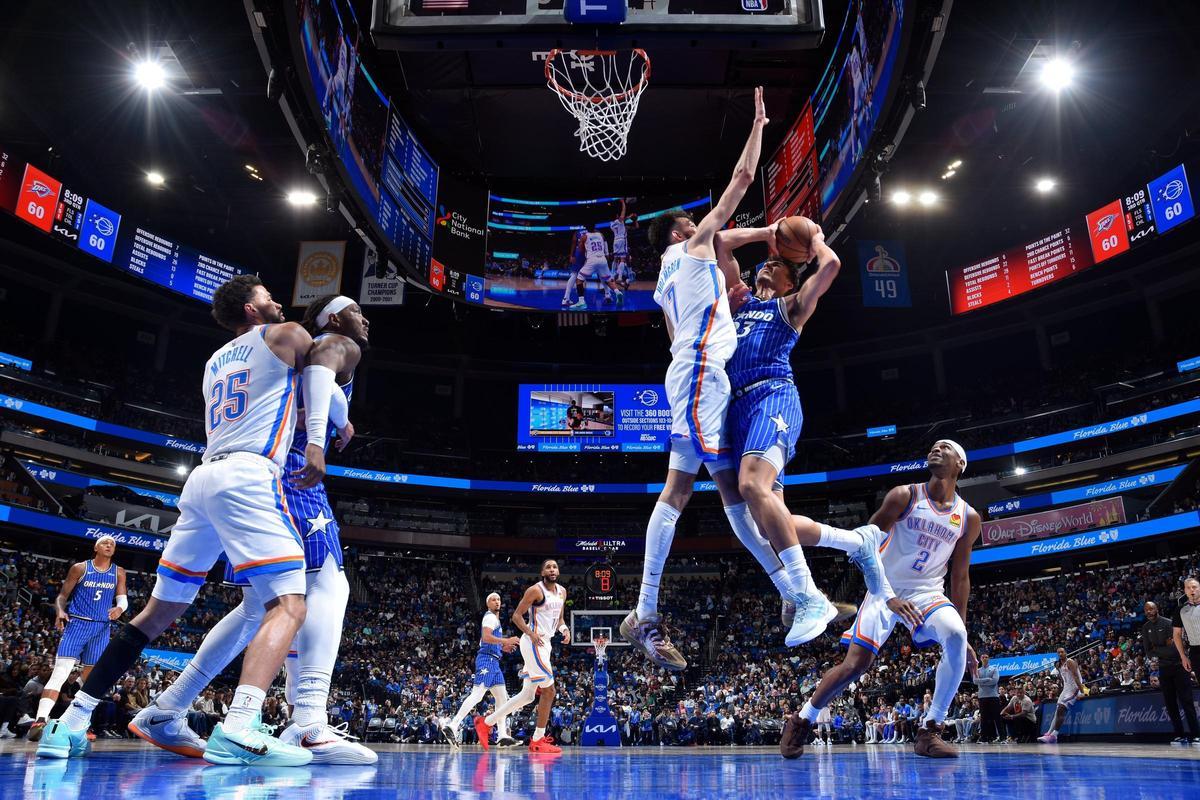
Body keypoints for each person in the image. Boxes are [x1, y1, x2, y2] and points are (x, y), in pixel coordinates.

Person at [38, 274, 331, 767]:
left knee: (155, 615)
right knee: (290, 603)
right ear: (251, 309)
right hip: (249, 474)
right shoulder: (286, 335)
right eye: (267, 296)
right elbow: (328, 363)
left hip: (201, 480)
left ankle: (68, 722)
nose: (279, 302)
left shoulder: (214, 361)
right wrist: (323, 434)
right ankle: (240, 725)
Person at [127, 294, 369, 764]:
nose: (365, 320)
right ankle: (308, 722)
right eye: (357, 311)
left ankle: (170, 705)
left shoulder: (281, 350)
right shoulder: (336, 343)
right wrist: (328, 429)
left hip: (249, 475)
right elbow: (321, 367)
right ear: (335, 317)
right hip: (288, 475)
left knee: (259, 607)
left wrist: (340, 415)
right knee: (327, 585)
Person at [621, 87, 769, 670]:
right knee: (688, 491)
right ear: (683, 233)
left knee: (727, 488)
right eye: (691, 221)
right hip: (701, 375)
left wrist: (725, 306)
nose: (698, 223)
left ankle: (790, 589)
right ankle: (644, 613)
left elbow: (678, 330)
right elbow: (743, 176)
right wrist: (758, 124)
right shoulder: (696, 245)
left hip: (695, 372)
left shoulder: (666, 280)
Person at [714, 231, 886, 645]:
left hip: (772, 397)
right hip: (737, 411)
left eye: (777, 265)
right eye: (766, 262)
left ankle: (810, 597)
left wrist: (815, 239)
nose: (767, 265)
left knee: (751, 486)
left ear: (791, 282)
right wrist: (767, 234)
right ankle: (856, 541)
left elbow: (832, 266)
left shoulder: (789, 307)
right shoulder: (739, 302)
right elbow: (719, 243)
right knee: (770, 524)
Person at [780, 440, 981, 760]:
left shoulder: (968, 517)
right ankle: (802, 719)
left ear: (960, 464)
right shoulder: (904, 495)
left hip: (927, 593)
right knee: (855, 665)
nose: (936, 449)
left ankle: (930, 729)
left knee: (956, 635)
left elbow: (960, 576)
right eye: (933, 446)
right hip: (883, 586)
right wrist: (888, 596)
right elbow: (864, 549)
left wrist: (966, 630)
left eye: (946, 447)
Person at [27, 536, 127, 742]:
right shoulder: (80, 568)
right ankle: (40, 720)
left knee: (89, 681)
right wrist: (60, 611)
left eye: (113, 544)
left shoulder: (119, 572)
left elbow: (123, 600)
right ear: (96, 547)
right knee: (60, 673)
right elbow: (62, 596)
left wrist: (119, 608)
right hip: (77, 625)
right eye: (105, 543)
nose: (109, 545)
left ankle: (77, 723)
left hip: (101, 628)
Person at [475, 560, 570, 754]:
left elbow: (559, 619)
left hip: (546, 643)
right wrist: (530, 633)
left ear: (558, 571)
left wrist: (564, 629)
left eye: (555, 567)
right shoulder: (535, 590)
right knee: (549, 691)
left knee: (527, 696)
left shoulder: (562, 591)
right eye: (548, 567)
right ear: (542, 572)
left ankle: (486, 723)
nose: (552, 569)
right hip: (533, 642)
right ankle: (538, 740)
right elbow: (517, 616)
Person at [442, 592, 521, 748]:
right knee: (477, 695)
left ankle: (502, 735)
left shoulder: (494, 619)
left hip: (494, 661)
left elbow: (485, 641)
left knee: (502, 699)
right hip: (487, 660)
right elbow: (486, 637)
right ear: (487, 603)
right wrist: (506, 640)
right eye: (493, 599)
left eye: (499, 599)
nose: (497, 601)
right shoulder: (490, 617)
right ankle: (453, 725)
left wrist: (502, 647)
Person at [1143, 599, 1200, 743]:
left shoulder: (1169, 623)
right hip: (1164, 669)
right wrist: (1163, 646)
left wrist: (1157, 648)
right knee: (1170, 703)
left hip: (1179, 666)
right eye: (1146, 610)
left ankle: (1196, 735)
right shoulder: (1145, 628)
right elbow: (1148, 652)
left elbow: (1174, 649)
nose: (1149, 612)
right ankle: (1179, 735)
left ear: (1157, 609)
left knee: (1186, 701)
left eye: (1151, 609)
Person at [1037, 647, 1087, 743]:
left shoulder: (1070, 662)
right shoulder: (1059, 665)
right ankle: (1049, 733)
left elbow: (1076, 677)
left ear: (1066, 653)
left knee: (1061, 708)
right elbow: (1065, 680)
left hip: (1074, 688)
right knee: (1057, 711)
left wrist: (1082, 692)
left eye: (1062, 652)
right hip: (1066, 689)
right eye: (1058, 652)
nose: (1060, 654)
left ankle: (1054, 735)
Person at [574, 223, 624, 308]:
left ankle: (581, 301)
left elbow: (581, 250)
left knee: (579, 279)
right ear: (594, 227)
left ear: (586, 228)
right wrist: (607, 254)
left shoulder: (584, 237)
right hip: (602, 259)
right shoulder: (600, 235)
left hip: (592, 260)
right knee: (608, 279)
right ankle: (618, 292)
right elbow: (605, 244)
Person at [973, 652, 1002, 742]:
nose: (985, 658)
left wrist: (981, 682)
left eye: (986, 657)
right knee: (984, 718)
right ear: (980, 659)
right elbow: (975, 681)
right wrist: (987, 679)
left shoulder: (994, 669)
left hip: (993, 696)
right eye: (983, 657)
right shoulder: (977, 670)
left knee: (997, 717)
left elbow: (994, 681)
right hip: (982, 697)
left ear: (988, 658)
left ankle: (1002, 737)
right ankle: (984, 738)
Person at [1174, 577, 1200, 673]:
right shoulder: (1180, 610)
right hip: (1195, 651)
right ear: (1185, 591)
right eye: (1188, 588)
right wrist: (1183, 656)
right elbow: (1177, 634)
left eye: (1194, 587)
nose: (1191, 590)